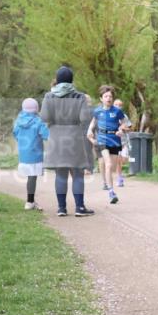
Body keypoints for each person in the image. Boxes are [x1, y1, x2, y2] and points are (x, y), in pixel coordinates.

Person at [41, 65, 96, 217]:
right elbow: (85, 118)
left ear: (57, 80)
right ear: (71, 80)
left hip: (56, 137)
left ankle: (61, 208)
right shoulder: (79, 97)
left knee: (60, 173)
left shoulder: (49, 96)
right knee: (77, 173)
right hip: (74, 137)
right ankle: (79, 208)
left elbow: (44, 117)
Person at [86, 85, 129, 205]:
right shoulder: (97, 111)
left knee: (113, 168)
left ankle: (108, 184)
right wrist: (90, 130)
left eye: (110, 96)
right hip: (102, 139)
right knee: (108, 164)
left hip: (115, 140)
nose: (108, 98)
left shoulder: (117, 111)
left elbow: (125, 123)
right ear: (101, 98)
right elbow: (93, 122)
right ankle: (111, 192)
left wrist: (121, 129)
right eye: (106, 96)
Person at [13, 97, 50, 211]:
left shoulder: (18, 121)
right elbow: (46, 135)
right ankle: (29, 202)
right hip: (35, 153)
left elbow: (15, 134)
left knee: (30, 178)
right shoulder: (38, 121)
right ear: (36, 109)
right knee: (32, 178)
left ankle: (30, 201)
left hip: (24, 153)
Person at [113, 98, 133, 186]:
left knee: (124, 160)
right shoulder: (111, 115)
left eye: (120, 105)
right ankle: (119, 178)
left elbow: (130, 128)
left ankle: (119, 173)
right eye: (116, 105)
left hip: (125, 141)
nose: (118, 107)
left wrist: (125, 128)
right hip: (115, 141)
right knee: (118, 159)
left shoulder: (124, 116)